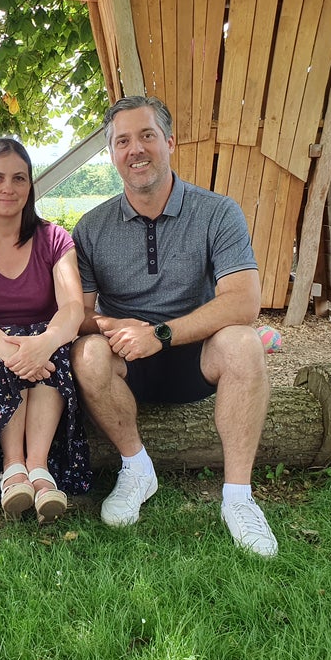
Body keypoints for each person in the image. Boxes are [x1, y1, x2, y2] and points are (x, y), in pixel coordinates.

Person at [70, 95, 278, 557]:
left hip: (197, 355)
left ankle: (239, 499)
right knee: (85, 353)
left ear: (169, 141)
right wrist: (120, 326)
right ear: (112, 154)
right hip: (128, 358)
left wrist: (160, 333)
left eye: (146, 136)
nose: (136, 149)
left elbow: (244, 303)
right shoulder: (90, 227)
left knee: (245, 343)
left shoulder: (218, 212)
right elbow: (78, 314)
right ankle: (136, 466)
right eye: (122, 141)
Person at [0, 138, 90, 524]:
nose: (8, 187)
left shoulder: (55, 238)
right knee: (0, 345)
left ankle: (39, 470)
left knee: (52, 342)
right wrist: (18, 354)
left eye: (18, 178)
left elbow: (72, 306)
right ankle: (13, 468)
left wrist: (44, 344)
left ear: (29, 185)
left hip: (46, 347)